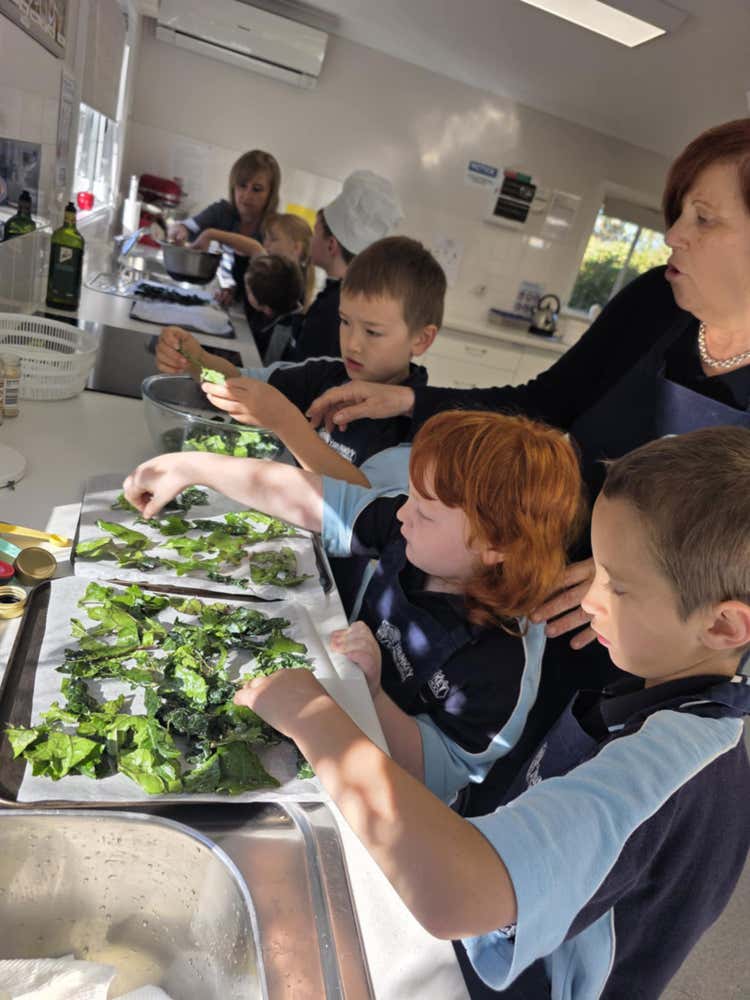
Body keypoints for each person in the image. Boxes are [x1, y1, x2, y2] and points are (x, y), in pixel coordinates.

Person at [305, 116, 750, 805]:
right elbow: (545, 402)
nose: (674, 235)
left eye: (704, 217)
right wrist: (408, 399)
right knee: (444, 762)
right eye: (678, 212)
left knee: (527, 805)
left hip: (638, 650)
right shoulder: (656, 303)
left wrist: (621, 573)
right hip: (523, 589)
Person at [229, 426, 750, 1000]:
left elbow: (457, 896)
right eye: (594, 568)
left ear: (724, 626)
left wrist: (314, 718)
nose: (587, 596)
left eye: (617, 585)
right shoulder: (661, 694)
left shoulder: (668, 763)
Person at [122, 409, 584, 771]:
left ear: (495, 544)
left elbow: (435, 773)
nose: (403, 516)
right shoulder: (405, 526)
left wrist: (374, 693)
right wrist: (194, 467)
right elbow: (312, 499)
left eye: (426, 513)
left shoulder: (501, 664)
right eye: (411, 498)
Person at [155, 236, 445, 482]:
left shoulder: (420, 429)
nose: (353, 344)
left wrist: (287, 423)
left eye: (372, 331)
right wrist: (195, 359)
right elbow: (237, 383)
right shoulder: (323, 375)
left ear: (421, 339)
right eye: (345, 322)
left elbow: (365, 501)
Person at [288, 170, 403, 361]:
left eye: (315, 232)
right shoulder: (348, 296)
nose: (310, 239)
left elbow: (305, 370)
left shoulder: (338, 305)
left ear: (331, 245)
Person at [189, 211, 314, 361]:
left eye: (273, 239)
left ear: (296, 248)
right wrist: (235, 291)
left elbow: (254, 248)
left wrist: (210, 234)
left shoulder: (282, 277)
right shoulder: (278, 274)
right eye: (265, 238)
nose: (266, 245)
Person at [168, 149, 280, 309]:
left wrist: (211, 234)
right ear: (233, 186)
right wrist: (179, 231)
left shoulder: (275, 229)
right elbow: (188, 226)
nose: (246, 195)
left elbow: (268, 283)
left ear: (271, 194)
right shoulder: (222, 211)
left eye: (257, 189)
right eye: (242, 185)